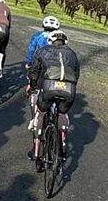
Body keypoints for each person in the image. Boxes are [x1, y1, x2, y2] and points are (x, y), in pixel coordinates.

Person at [27, 29, 80, 172]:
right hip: (68, 88)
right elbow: (76, 74)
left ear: (50, 41)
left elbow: (34, 71)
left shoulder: (44, 50)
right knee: (62, 113)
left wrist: (32, 86)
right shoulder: (72, 54)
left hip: (49, 85)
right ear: (65, 42)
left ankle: (37, 152)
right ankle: (62, 146)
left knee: (41, 112)